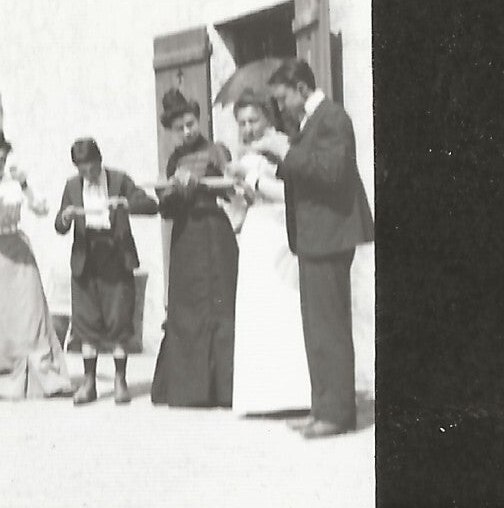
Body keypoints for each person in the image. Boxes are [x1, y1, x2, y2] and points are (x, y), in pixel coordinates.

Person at [251, 58, 375, 437]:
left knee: (329, 329)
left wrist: (285, 150)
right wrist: (280, 157)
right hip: (314, 239)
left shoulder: (333, 118)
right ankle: (323, 407)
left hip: (328, 237)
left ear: (302, 89)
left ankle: (337, 415)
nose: (279, 106)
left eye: (282, 97)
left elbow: (331, 173)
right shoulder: (310, 122)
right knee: (317, 329)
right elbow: (310, 170)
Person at [0, 127, 72, 399]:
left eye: (2, 158)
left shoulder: (13, 184)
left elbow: (42, 208)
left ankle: (43, 373)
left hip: (18, 250)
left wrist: (25, 185)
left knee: (30, 313)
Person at [54, 137, 159, 406]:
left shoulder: (118, 180)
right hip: (86, 258)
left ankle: (120, 381)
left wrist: (125, 204)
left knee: (118, 321)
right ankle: (89, 383)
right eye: (82, 169)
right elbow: (60, 224)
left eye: (91, 168)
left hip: (115, 255)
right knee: (86, 324)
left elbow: (150, 205)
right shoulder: (71, 186)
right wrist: (65, 218)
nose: (87, 174)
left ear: (100, 162)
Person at [152, 89, 239, 409]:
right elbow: (167, 208)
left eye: (190, 124)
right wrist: (179, 189)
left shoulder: (217, 151)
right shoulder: (174, 160)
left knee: (221, 305)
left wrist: (218, 178)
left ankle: (225, 389)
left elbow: (233, 191)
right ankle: (192, 390)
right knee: (189, 308)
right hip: (186, 238)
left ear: (198, 121)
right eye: (179, 128)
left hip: (215, 234)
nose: (186, 131)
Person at [226, 92, 310, 416]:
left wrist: (252, 179)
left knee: (283, 310)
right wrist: (236, 193)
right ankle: (262, 397)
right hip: (255, 234)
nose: (247, 128)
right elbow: (246, 202)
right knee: (258, 311)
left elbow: (289, 194)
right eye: (242, 122)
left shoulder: (281, 149)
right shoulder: (245, 156)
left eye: (253, 120)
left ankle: (294, 394)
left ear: (269, 119)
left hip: (279, 233)